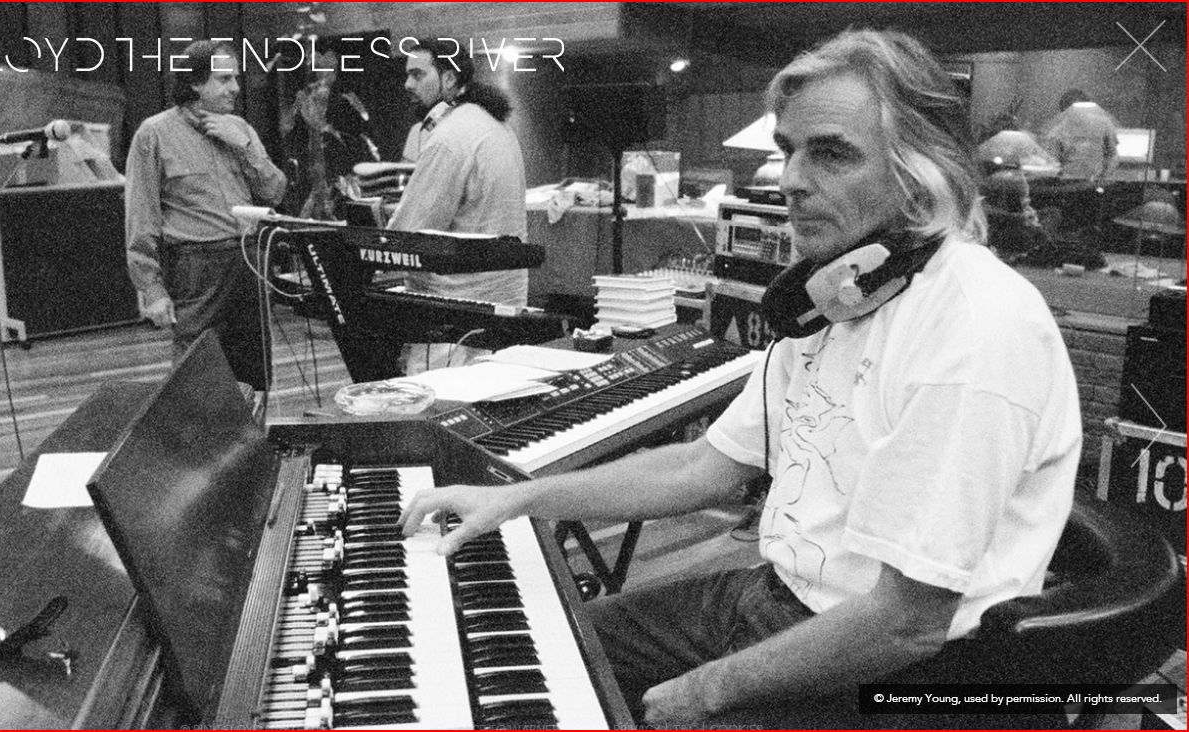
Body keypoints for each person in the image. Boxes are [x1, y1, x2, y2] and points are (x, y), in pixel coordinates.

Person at [400, 28, 1082, 728]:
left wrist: (700, 692)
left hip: (904, 670)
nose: (790, 180)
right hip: (783, 597)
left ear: (923, 172)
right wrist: (516, 498)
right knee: (541, 648)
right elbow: (701, 467)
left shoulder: (974, 328)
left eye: (831, 153)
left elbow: (905, 623)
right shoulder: (838, 295)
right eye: (789, 150)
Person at [125, 39, 287, 395]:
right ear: (196, 83)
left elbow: (275, 191)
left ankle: (250, 432)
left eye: (235, 78)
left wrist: (243, 145)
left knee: (255, 376)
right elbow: (141, 215)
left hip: (249, 260)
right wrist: (151, 289)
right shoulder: (154, 133)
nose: (236, 88)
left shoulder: (241, 129)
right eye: (224, 79)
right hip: (196, 268)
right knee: (195, 376)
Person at [387, 38, 529, 373]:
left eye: (418, 75)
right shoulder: (496, 124)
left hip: (454, 319)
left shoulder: (450, 136)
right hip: (503, 306)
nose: (408, 84)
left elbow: (408, 233)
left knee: (435, 403)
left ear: (449, 78)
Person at [280, 43, 379, 219]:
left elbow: (364, 136)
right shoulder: (303, 100)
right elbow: (287, 132)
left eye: (330, 69)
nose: (324, 74)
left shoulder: (347, 102)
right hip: (310, 176)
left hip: (343, 180)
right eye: (318, 68)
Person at [1042, 89, 1119, 180]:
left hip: (1098, 181)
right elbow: (1053, 164)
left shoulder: (1104, 125)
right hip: (1069, 182)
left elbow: (1112, 154)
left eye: (1081, 110)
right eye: (1072, 110)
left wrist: (1104, 177)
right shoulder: (1056, 133)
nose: (1078, 114)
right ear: (1064, 111)